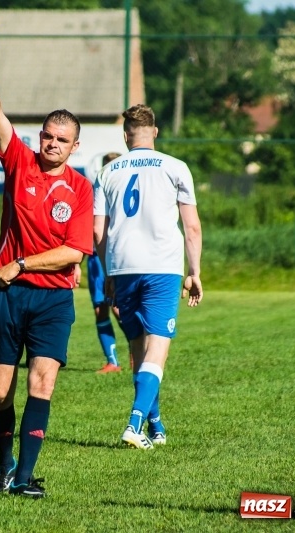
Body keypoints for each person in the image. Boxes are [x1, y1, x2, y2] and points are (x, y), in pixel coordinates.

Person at [0, 40, 94, 498]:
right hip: (8, 297)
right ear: (39, 136)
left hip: (52, 298)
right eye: (47, 136)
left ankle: (24, 477)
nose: (52, 144)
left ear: (75, 146)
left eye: (62, 140)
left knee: (42, 382)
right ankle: (4, 466)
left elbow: (74, 252)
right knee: (1, 391)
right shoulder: (20, 162)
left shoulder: (80, 189)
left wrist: (19, 264)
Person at [93, 104, 203, 450]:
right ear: (154, 132)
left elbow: (98, 232)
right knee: (158, 347)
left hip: (123, 266)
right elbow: (192, 227)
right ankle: (134, 423)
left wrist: (108, 271)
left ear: (126, 135)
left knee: (138, 348)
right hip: (162, 266)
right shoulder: (175, 167)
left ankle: (155, 425)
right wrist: (195, 272)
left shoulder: (107, 172)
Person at [85, 152, 127, 374]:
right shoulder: (94, 192)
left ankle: (137, 347)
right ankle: (112, 362)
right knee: (100, 309)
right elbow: (86, 230)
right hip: (95, 259)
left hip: (118, 256)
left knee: (119, 308)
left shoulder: (126, 192)